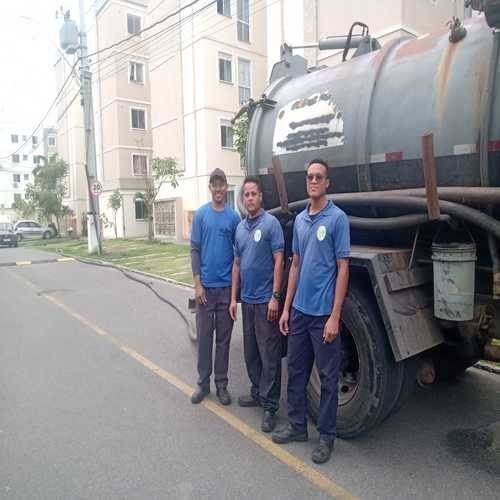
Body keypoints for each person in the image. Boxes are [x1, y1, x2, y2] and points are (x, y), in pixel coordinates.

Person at [272, 159, 350, 465]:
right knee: (296, 372)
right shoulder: (301, 221)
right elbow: (295, 266)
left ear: (327, 182)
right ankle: (297, 426)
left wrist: (335, 316)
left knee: (328, 378)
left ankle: (326, 437)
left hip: (322, 315)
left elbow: (343, 268)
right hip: (300, 313)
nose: (313, 181)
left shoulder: (337, 219)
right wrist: (286, 308)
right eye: (310, 177)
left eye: (319, 177)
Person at [229, 176, 284, 433]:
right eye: (246, 194)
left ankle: (270, 406)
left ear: (261, 197)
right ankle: (257, 392)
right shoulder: (240, 228)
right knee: (250, 352)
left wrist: (275, 297)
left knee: (269, 355)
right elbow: (237, 265)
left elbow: (279, 260)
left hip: (265, 302)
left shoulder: (271, 224)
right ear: (243, 199)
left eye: (254, 194)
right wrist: (233, 298)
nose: (250, 198)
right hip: (248, 302)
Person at [190, 168, 240, 406]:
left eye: (222, 184)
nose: (218, 188)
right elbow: (195, 250)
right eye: (214, 184)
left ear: (226, 187)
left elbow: (238, 256)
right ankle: (203, 384)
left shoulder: (234, 218)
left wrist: (234, 294)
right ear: (210, 187)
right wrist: (198, 285)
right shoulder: (201, 215)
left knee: (223, 340)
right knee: (204, 338)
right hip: (206, 291)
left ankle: (221, 385)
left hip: (226, 289)